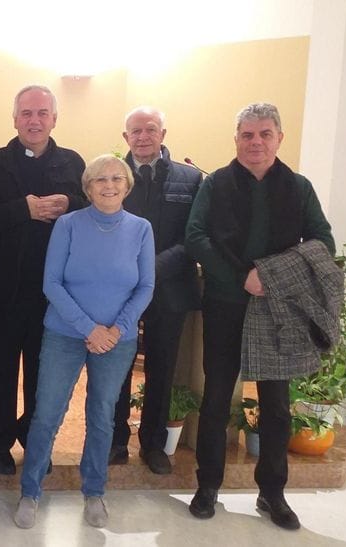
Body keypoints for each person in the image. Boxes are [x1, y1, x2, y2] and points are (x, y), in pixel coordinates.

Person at [185, 103, 334, 530]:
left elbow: (322, 241)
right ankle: (207, 486)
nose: (256, 142)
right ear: (236, 140)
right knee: (216, 397)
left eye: (265, 134)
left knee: (276, 404)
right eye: (247, 135)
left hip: (279, 310)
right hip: (226, 303)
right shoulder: (215, 184)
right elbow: (195, 236)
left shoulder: (299, 187)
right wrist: (241, 277)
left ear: (279, 138)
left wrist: (274, 277)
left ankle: (272, 494)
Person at [15, 155, 154, 530]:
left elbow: (145, 286)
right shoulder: (68, 224)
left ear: (127, 185)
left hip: (116, 339)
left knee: (101, 415)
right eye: (99, 180)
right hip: (65, 332)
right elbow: (52, 283)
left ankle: (94, 491)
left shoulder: (141, 229)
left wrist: (116, 329)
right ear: (87, 186)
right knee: (47, 414)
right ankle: (30, 490)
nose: (108, 185)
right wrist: (88, 328)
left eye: (115, 179)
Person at [0, 85, 86, 475]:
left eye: (42, 113)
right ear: (15, 118)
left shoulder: (73, 164)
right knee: (0, 372)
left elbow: (91, 213)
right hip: (2, 291)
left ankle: (36, 441)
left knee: (44, 376)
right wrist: (23, 210)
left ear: (54, 118)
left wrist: (70, 204)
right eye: (26, 113)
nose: (34, 120)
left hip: (53, 295)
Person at [109, 107, 202, 474]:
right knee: (118, 366)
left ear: (163, 132)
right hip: (120, 290)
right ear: (125, 137)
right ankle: (116, 441)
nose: (143, 136)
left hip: (169, 288)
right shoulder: (112, 175)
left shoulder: (191, 179)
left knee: (162, 368)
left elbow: (193, 236)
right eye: (136, 131)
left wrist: (150, 270)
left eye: (150, 129)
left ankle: (153, 445)